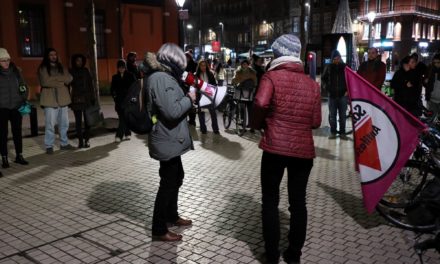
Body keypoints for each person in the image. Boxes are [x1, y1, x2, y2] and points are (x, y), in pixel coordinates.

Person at [250, 34, 321, 264]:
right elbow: (316, 122)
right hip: (303, 151)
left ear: (279, 54)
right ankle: (294, 254)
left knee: (270, 201)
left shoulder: (271, 77)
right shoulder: (312, 83)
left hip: (275, 148)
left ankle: (271, 256)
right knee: (298, 203)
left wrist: (259, 123)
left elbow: (260, 103)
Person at [147, 43, 196, 241]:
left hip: (170, 137)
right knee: (168, 183)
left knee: (176, 177)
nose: (183, 67)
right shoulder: (161, 78)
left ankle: (171, 216)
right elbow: (172, 111)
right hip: (166, 138)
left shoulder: (165, 77)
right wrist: (189, 99)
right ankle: (159, 229)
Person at [38, 48, 73, 154]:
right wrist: (60, 81)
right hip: (49, 100)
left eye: (55, 54)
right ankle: (49, 145)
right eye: (51, 55)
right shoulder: (43, 68)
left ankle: (64, 143)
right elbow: (45, 82)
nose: (53, 56)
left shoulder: (62, 67)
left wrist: (54, 79)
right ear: (47, 56)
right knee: (50, 124)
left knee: (64, 124)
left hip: (63, 99)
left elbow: (69, 78)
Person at [0, 48, 29, 168]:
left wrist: (23, 98)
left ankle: (19, 155)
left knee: (17, 132)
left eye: (8, 60)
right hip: (2, 108)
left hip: (16, 107)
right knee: (2, 134)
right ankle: (5, 158)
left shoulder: (16, 71)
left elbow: (23, 85)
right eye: (3, 60)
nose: (6, 62)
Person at [69, 54, 96, 148]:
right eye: (77, 61)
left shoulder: (85, 71)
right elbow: (68, 86)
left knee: (88, 121)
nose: (79, 62)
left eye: (81, 61)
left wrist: (93, 98)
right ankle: (80, 141)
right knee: (78, 122)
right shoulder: (71, 71)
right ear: (74, 61)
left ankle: (87, 140)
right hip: (76, 99)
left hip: (86, 99)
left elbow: (90, 85)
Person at [321, 50, 348, 140]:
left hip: (343, 95)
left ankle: (342, 133)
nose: (336, 60)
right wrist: (327, 88)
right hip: (332, 96)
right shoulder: (328, 67)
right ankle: (333, 132)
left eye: (338, 58)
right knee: (332, 115)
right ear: (332, 59)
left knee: (342, 116)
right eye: (335, 59)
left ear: (340, 58)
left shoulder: (345, 67)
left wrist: (347, 90)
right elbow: (323, 79)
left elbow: (350, 80)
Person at [110, 59, 137, 142]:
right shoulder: (115, 77)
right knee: (122, 118)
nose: (121, 69)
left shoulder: (131, 75)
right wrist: (114, 97)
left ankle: (119, 135)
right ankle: (127, 133)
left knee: (124, 118)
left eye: (122, 67)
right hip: (119, 101)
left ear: (125, 67)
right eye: (119, 67)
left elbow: (135, 87)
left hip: (128, 101)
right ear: (117, 68)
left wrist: (133, 97)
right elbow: (112, 89)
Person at [195, 59, 220, 134]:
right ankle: (203, 129)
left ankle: (215, 129)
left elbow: (214, 84)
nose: (203, 67)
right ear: (199, 66)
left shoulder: (210, 74)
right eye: (202, 65)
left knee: (213, 112)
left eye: (204, 65)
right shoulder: (196, 75)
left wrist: (211, 90)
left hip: (209, 95)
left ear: (206, 66)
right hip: (200, 95)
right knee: (201, 113)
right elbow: (194, 86)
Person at [232, 59, 257, 130]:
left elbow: (255, 81)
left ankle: (250, 124)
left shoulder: (252, 72)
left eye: (246, 64)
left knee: (249, 109)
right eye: (243, 64)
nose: (244, 65)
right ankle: (243, 122)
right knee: (242, 108)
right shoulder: (239, 72)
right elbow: (235, 80)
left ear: (248, 65)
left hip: (247, 92)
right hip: (244, 92)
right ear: (242, 65)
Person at [185, 51, 197, 126]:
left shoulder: (194, 64)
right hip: (185, 85)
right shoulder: (183, 64)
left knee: (192, 103)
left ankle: (192, 120)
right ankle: (189, 119)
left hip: (191, 86)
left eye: (187, 57)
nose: (186, 58)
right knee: (187, 102)